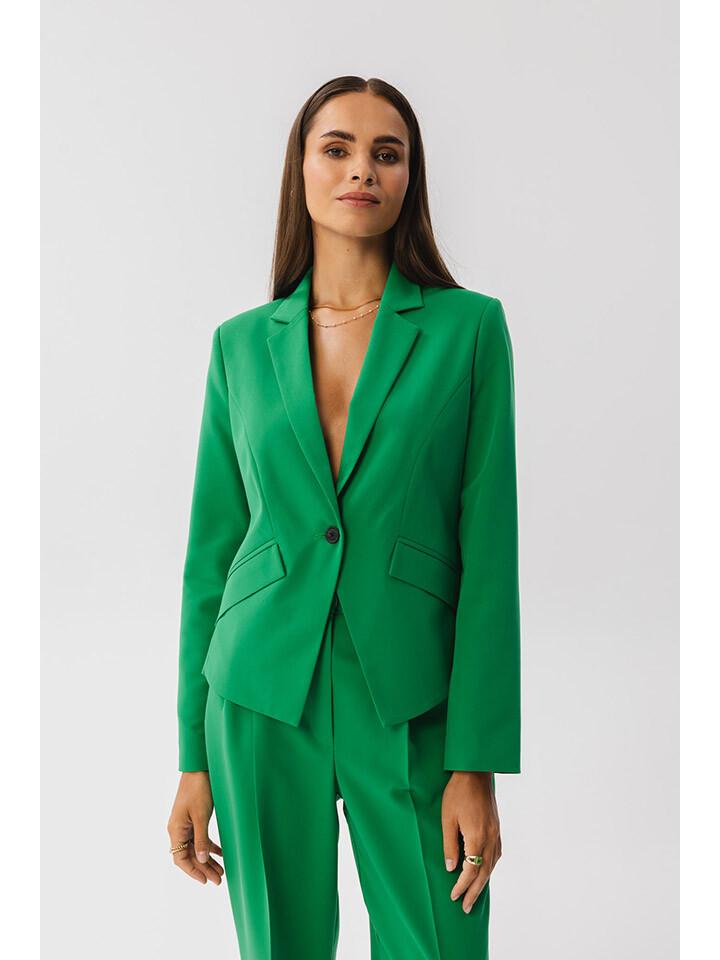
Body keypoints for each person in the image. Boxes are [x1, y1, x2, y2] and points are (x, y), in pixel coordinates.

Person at [167, 74, 521, 959]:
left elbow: (490, 553)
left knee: (437, 942)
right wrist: (192, 757)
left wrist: (476, 761)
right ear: (301, 169)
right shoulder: (239, 345)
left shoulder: (469, 330)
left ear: (409, 178)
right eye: (337, 148)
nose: (362, 168)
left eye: (386, 153)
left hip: (411, 694)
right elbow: (212, 554)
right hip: (258, 692)